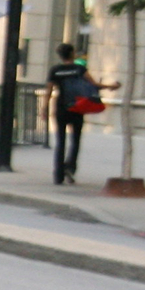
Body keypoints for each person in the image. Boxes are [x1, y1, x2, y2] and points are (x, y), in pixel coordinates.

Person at [46, 42, 107, 185]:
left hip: (61, 108)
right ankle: (70, 167)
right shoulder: (79, 69)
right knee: (76, 140)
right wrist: (110, 86)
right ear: (72, 54)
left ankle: (58, 175)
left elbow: (48, 91)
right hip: (77, 107)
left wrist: (44, 108)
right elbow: (93, 84)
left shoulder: (55, 70)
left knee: (60, 142)